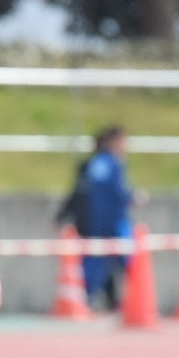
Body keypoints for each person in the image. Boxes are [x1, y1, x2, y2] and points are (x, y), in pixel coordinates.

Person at [58, 126, 134, 311]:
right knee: (125, 261)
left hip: (95, 222)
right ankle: (92, 299)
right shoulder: (111, 164)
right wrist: (131, 197)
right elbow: (115, 193)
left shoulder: (93, 164)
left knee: (100, 262)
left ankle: (103, 300)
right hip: (110, 222)